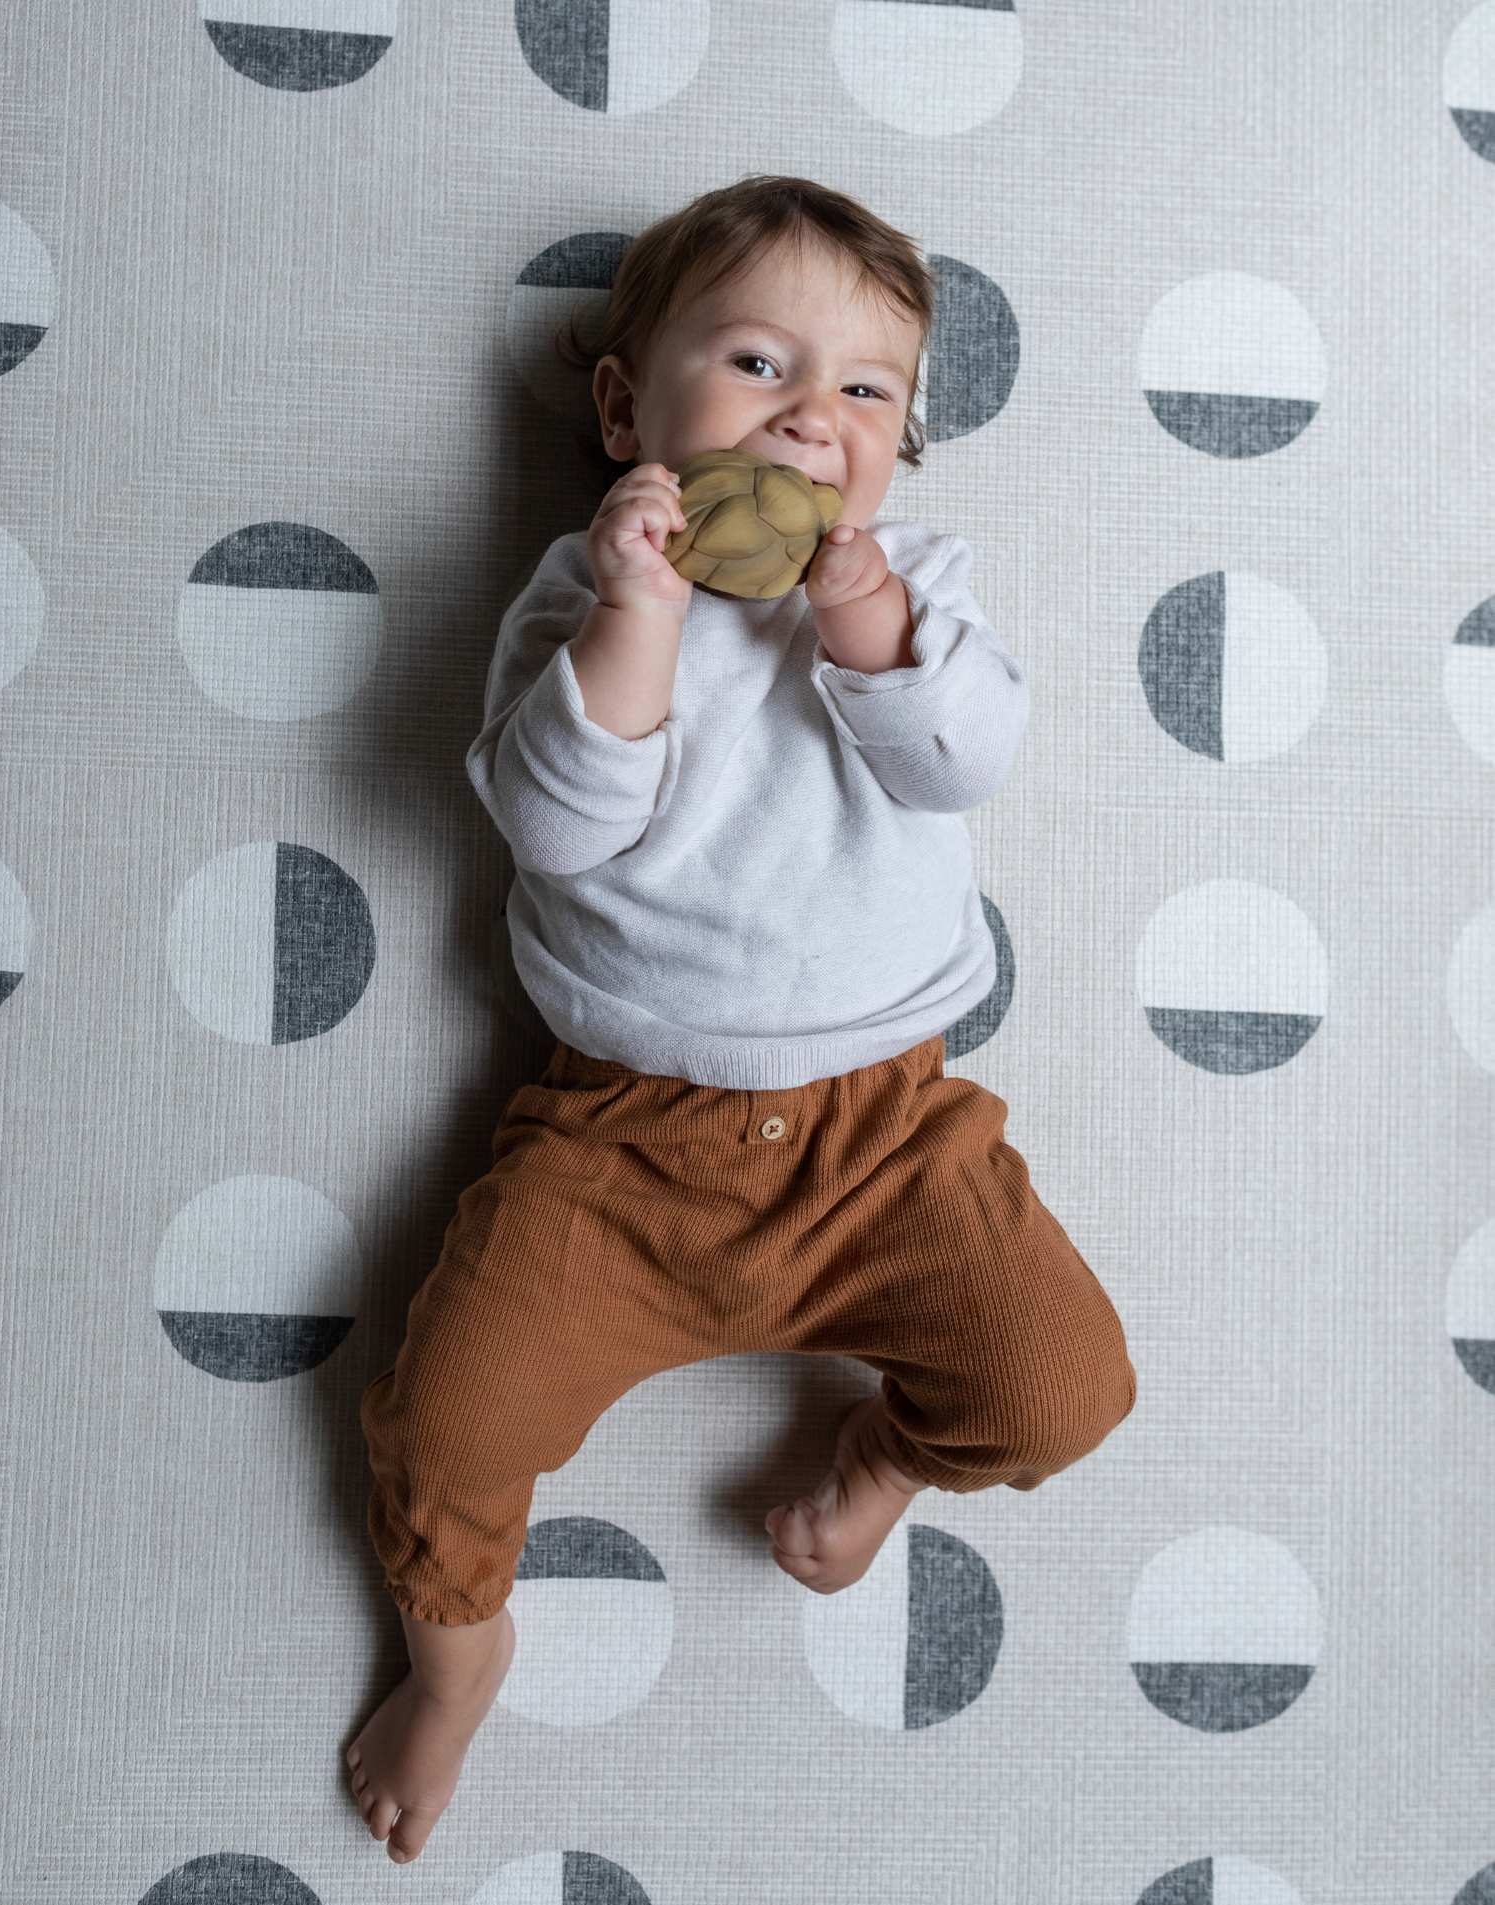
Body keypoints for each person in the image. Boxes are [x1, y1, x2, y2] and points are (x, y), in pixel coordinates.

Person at [346, 175, 1135, 1864]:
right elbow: (559, 829)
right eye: (761, 363)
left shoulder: (916, 578)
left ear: (902, 448)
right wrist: (645, 620)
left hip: (886, 1140)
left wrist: (863, 621)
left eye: (866, 392)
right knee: (443, 1420)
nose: (810, 416)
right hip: (618, 1146)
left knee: (1063, 1387)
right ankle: (458, 1641)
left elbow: (965, 758)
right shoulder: (583, 594)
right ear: (629, 402)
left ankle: (884, 1456)